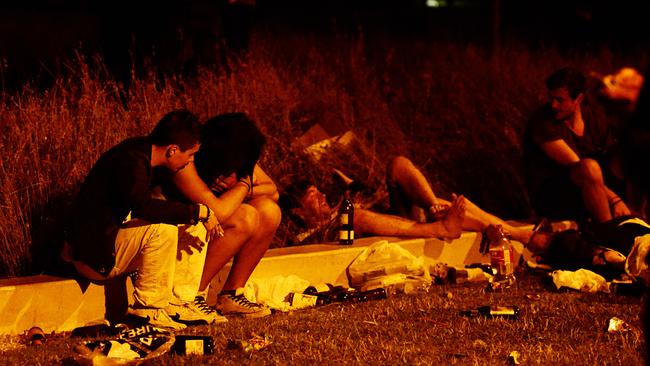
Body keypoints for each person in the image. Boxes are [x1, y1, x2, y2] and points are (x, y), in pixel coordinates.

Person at [63, 110, 222, 330]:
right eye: (190, 155)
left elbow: (160, 208)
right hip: (94, 255)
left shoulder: (148, 158)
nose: (190, 161)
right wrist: (198, 211)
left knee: (193, 226)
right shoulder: (130, 161)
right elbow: (143, 207)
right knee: (163, 230)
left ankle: (178, 302)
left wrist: (197, 215)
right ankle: (148, 311)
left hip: (113, 242)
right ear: (172, 150)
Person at [280, 156, 544, 247]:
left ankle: (435, 208)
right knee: (355, 216)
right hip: (384, 232)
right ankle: (442, 226)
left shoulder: (341, 206)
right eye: (314, 198)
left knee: (398, 165)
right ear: (300, 212)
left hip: (399, 221)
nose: (323, 197)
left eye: (320, 193)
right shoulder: (309, 236)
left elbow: (365, 192)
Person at [163, 112, 280, 318]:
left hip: (201, 233)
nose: (224, 176)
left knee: (269, 211)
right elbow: (219, 211)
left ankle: (232, 293)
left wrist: (240, 184)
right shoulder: (187, 160)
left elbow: (272, 191)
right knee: (245, 216)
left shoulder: (237, 158)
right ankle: (190, 296)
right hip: (171, 236)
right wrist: (243, 185)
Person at [523, 67, 631, 223]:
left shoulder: (594, 117)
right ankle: (609, 232)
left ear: (578, 99)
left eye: (560, 100)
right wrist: (615, 200)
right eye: (551, 98)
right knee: (589, 167)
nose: (553, 105)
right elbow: (581, 167)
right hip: (553, 195)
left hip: (590, 189)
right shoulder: (542, 122)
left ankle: (637, 218)